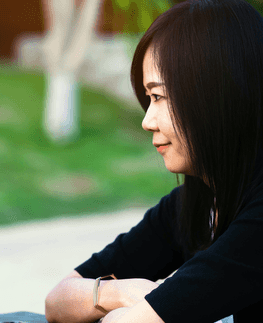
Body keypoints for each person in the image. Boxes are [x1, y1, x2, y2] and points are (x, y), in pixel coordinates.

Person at [44, 0, 263, 322]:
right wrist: (123, 293)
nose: (148, 121)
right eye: (149, 99)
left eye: (159, 96)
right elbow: (57, 301)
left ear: (218, 93)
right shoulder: (198, 202)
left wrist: (135, 306)